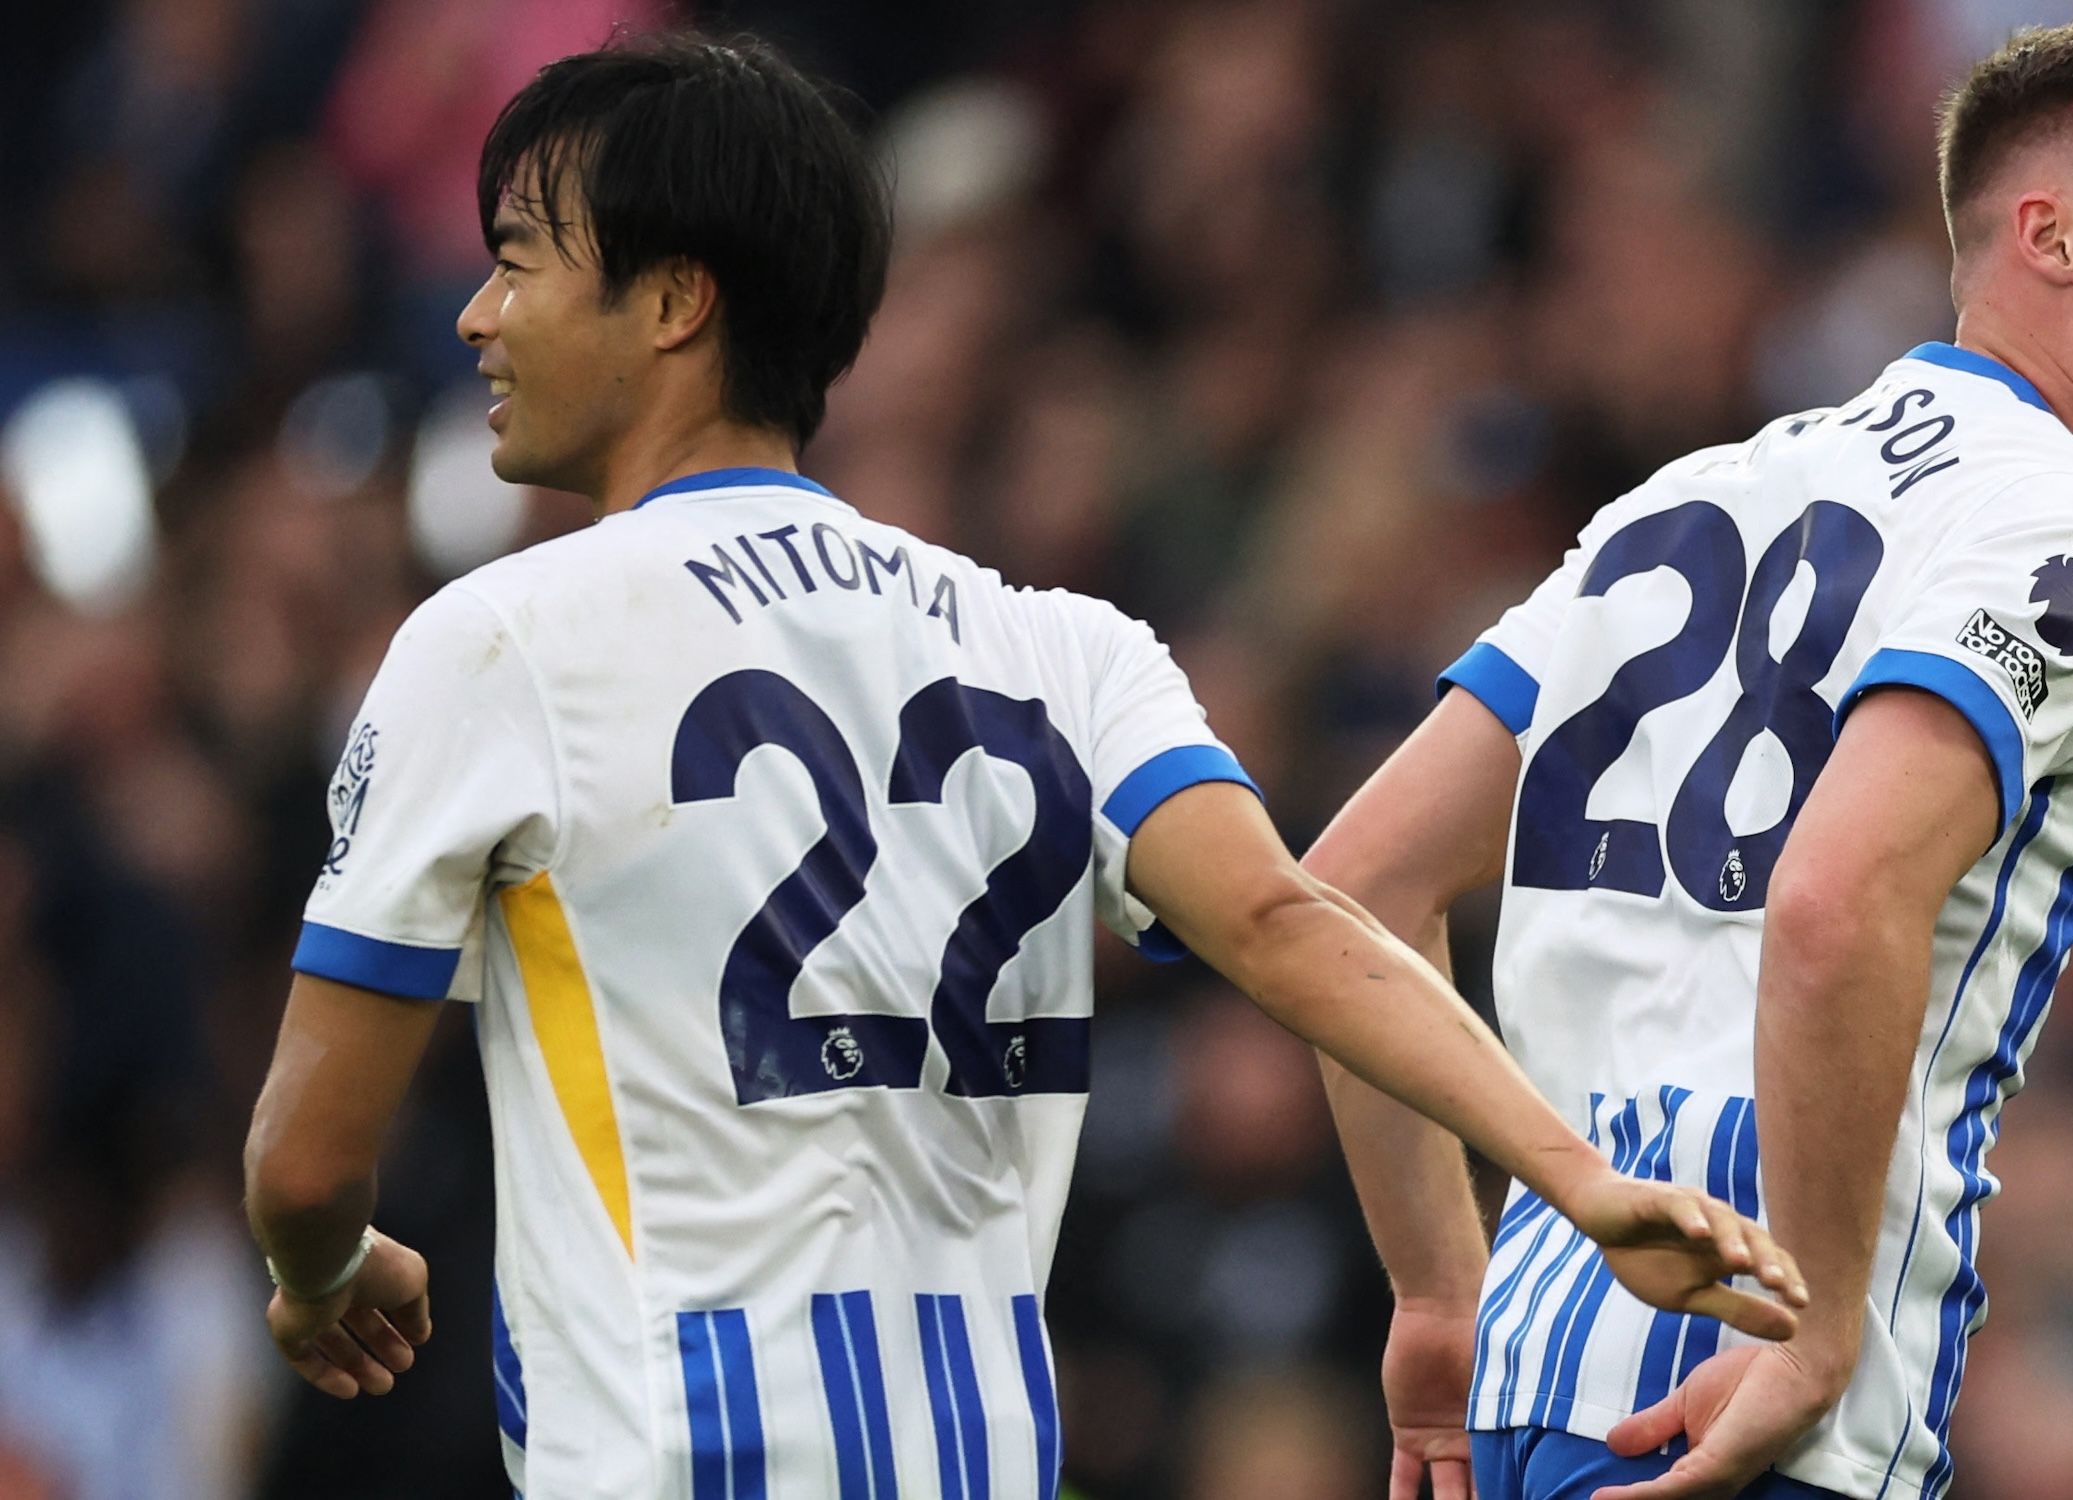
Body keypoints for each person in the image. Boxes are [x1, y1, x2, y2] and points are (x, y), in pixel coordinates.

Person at [238, 33, 1804, 1500]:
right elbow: (1291, 919)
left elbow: (305, 1161)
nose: (475, 314)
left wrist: (325, 1274)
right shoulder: (1061, 646)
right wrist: (1578, 1182)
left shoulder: (501, 643)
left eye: (517, 259)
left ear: (674, 302)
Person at [1301, 17, 2073, 1500]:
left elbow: (1351, 893)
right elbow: (1835, 898)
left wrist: (1441, 1298)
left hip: (1536, 1372)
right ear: (2052, 236)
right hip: (1739, 1404)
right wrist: (1819, 1328)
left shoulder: (1691, 499)